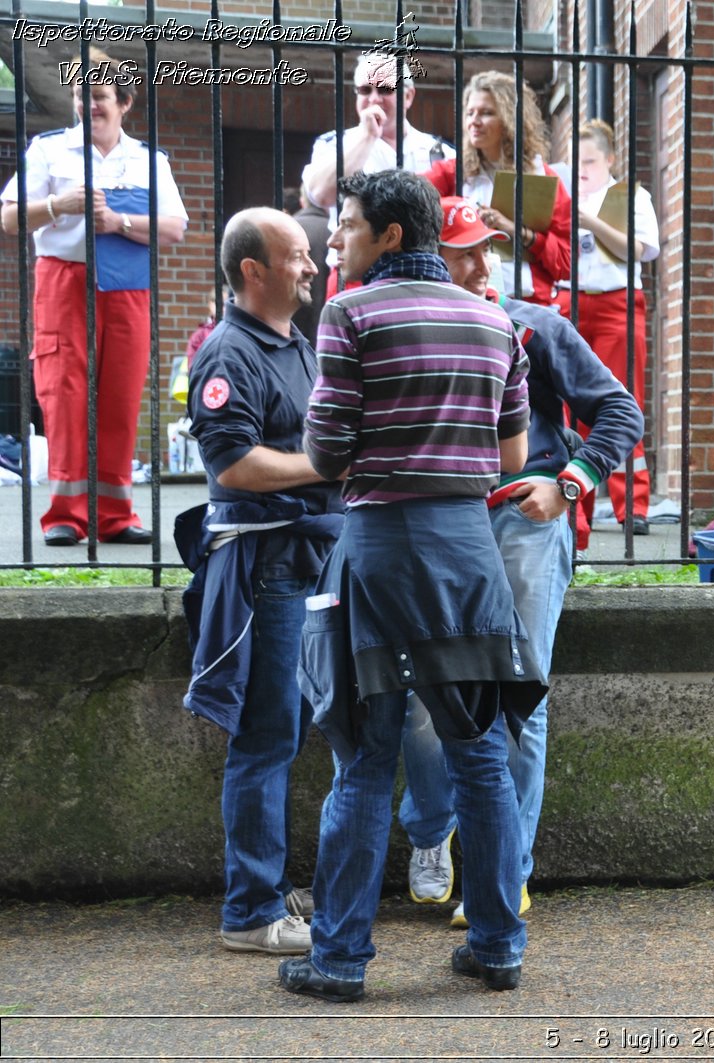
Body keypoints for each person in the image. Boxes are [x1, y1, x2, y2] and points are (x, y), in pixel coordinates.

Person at [280, 169, 536, 1003]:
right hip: (467, 556)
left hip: (381, 548)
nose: (334, 239)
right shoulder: (497, 323)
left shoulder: (349, 315)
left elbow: (323, 451)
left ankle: (341, 958)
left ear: (390, 235)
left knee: (365, 757)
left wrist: (375, 452)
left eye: (345, 225)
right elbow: (510, 460)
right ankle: (498, 946)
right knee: (482, 757)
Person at [395, 196, 642, 928]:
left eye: (485, 248)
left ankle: (502, 871)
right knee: (420, 701)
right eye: (459, 249)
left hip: (526, 517)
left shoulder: (538, 325)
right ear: (428, 256)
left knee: (521, 697)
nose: (476, 264)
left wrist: (570, 482)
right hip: (439, 524)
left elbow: (620, 411)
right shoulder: (410, 331)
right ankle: (429, 826)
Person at [178, 208, 345, 957]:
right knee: (265, 737)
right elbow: (234, 466)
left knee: (288, 732)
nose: (311, 266)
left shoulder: (296, 347)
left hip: (307, 564)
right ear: (255, 270)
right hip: (266, 573)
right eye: (298, 256)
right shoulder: (227, 354)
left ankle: (266, 887)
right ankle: (250, 910)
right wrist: (324, 466)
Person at [0, 47, 188, 546]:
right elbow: (10, 217)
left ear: (125, 102)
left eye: (101, 96)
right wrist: (59, 205)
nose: (90, 106)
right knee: (64, 394)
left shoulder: (150, 160)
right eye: (83, 95)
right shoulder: (48, 151)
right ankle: (65, 514)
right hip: (64, 282)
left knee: (121, 396)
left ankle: (115, 516)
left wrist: (120, 222)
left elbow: (175, 227)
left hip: (127, 289)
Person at [554, 119, 660, 538]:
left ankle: (632, 506)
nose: (581, 169)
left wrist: (587, 220)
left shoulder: (629, 197)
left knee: (622, 401)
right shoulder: (558, 193)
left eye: (590, 160)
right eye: (575, 161)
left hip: (617, 303)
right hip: (568, 302)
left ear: (610, 159)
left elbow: (638, 250)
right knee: (567, 406)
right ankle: (574, 503)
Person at [300, 51, 452, 294]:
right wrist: (368, 136)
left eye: (384, 90)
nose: (374, 99)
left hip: (421, 274)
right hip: (354, 273)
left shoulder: (439, 151)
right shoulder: (334, 144)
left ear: (408, 95)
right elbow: (320, 194)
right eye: (365, 90)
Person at [421, 71, 571, 307]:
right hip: (466, 301)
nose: (474, 121)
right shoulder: (452, 173)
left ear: (510, 119)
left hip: (529, 304)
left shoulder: (542, 176)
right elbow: (408, 207)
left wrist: (514, 230)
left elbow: (566, 264)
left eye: (487, 113)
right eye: (470, 113)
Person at [289, 185, 331, 338]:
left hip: (293, 329)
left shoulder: (288, 227)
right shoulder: (337, 231)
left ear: (302, 201)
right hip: (329, 329)